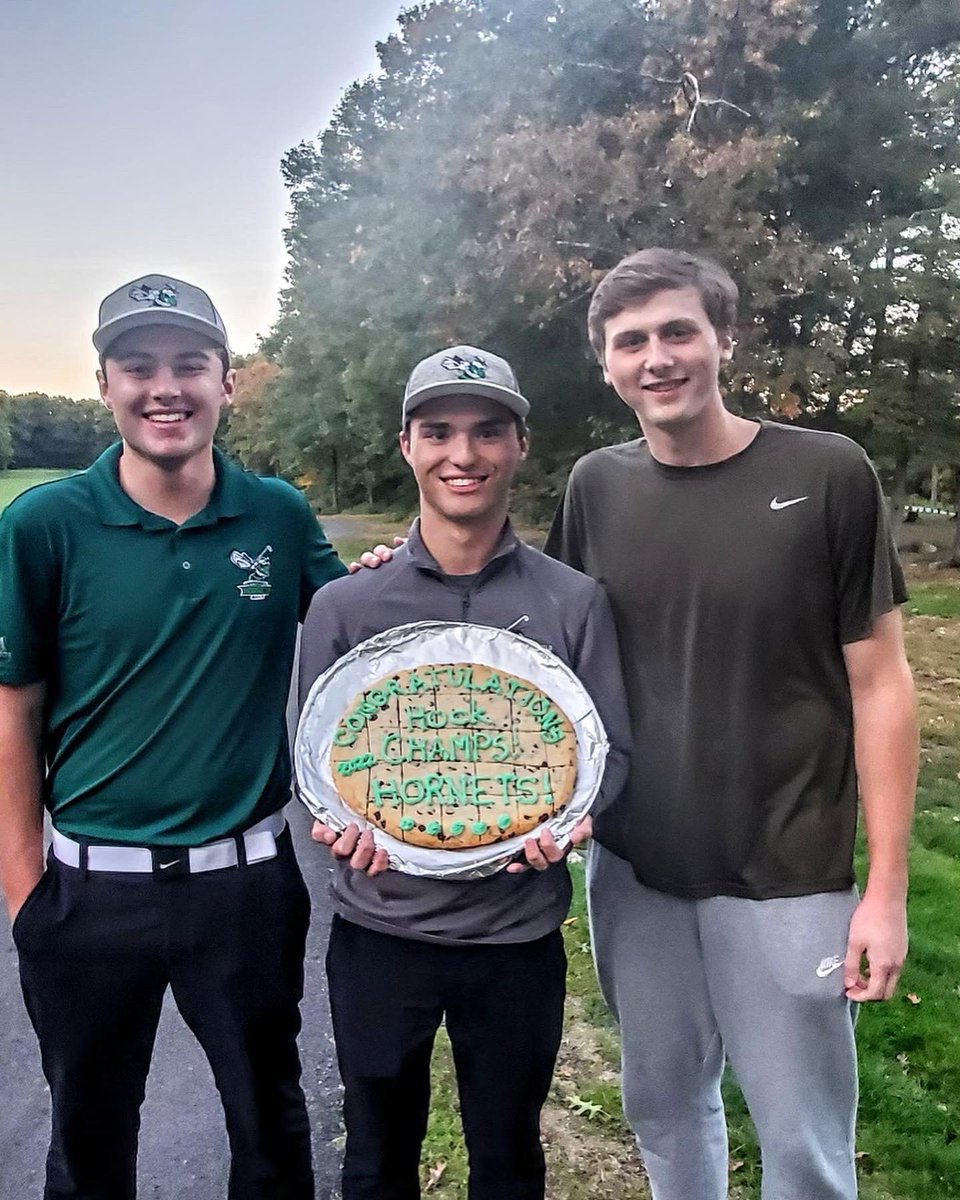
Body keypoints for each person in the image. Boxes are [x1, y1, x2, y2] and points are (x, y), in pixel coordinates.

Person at [544, 247, 918, 1200]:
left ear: (723, 339)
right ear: (607, 364)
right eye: (633, 341)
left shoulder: (828, 473)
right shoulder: (596, 486)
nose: (657, 357)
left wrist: (886, 890)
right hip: (637, 871)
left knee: (803, 1144)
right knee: (665, 1110)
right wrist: (401, 566)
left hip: (790, 868)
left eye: (679, 331)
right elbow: (541, 639)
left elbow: (881, 684)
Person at [0, 274, 348, 1199]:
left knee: (271, 1131)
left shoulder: (277, 514)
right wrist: (25, 889)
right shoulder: (44, 525)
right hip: (86, 894)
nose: (167, 387)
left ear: (226, 383)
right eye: (138, 365)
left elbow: (362, 634)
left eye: (190, 364)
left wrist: (417, 571)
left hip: (245, 891)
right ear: (105, 382)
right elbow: (14, 708)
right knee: (88, 1136)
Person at [298, 344, 631, 1200]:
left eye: (488, 431)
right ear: (406, 445)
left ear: (519, 444)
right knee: (375, 1155)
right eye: (438, 431)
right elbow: (312, 759)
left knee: (510, 1156)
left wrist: (580, 816)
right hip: (380, 933)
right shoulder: (347, 605)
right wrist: (339, 827)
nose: (464, 454)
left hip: (514, 938)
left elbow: (611, 754)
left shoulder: (572, 601)